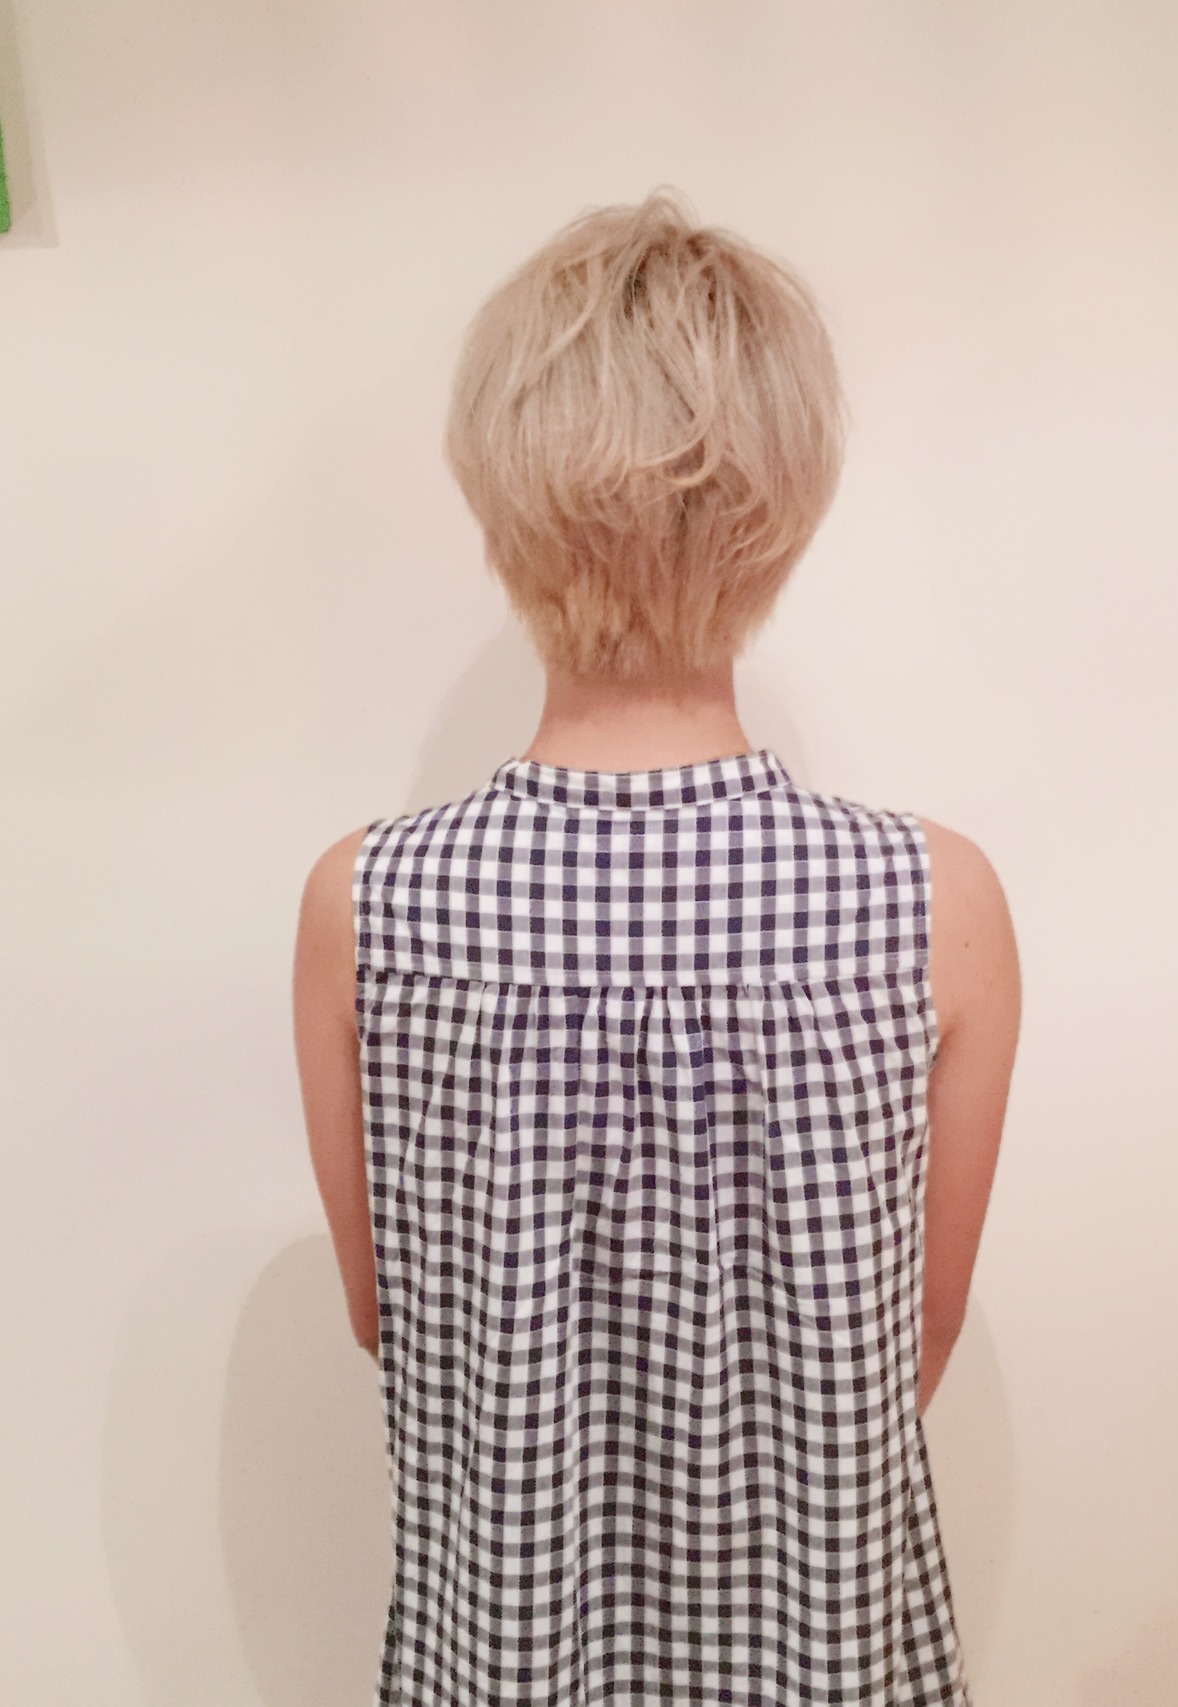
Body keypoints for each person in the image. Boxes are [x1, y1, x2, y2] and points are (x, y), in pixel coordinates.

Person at [293, 188, 1021, 1707]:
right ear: (788, 503)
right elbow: (916, 1341)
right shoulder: (934, 906)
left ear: (501, 494)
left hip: (506, 1648)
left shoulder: (368, 905)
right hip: (819, 1649)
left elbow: (388, 1320)